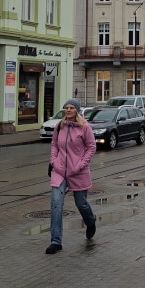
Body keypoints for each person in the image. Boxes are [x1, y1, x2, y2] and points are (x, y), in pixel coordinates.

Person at [46, 98, 97, 254]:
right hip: (59, 171)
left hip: (78, 172)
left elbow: (91, 147)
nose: (68, 110)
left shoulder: (84, 128)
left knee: (81, 203)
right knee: (56, 204)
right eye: (66, 108)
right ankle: (56, 241)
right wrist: (54, 161)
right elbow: (54, 144)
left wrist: (80, 165)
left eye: (71, 108)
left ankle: (91, 221)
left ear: (77, 110)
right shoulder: (59, 126)